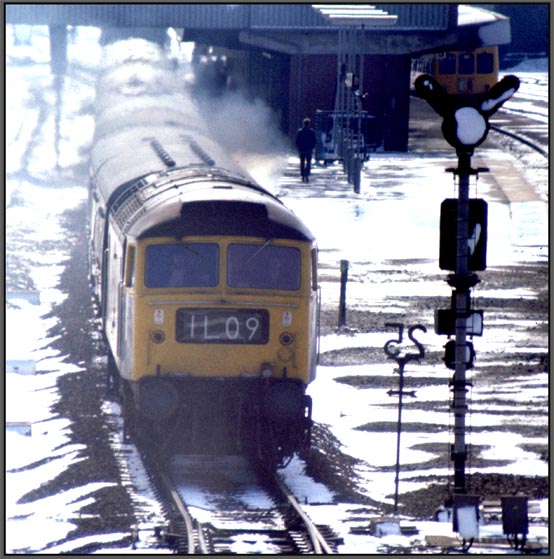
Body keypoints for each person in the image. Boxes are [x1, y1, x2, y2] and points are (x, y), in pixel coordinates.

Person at [295, 117, 317, 182]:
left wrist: (299, 148)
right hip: (309, 150)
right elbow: (314, 140)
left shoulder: (300, 131)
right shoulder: (311, 132)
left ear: (303, 124)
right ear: (309, 124)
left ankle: (302, 175)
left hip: (302, 150)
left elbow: (297, 141)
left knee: (302, 163)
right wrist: (312, 147)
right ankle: (307, 175)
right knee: (308, 163)